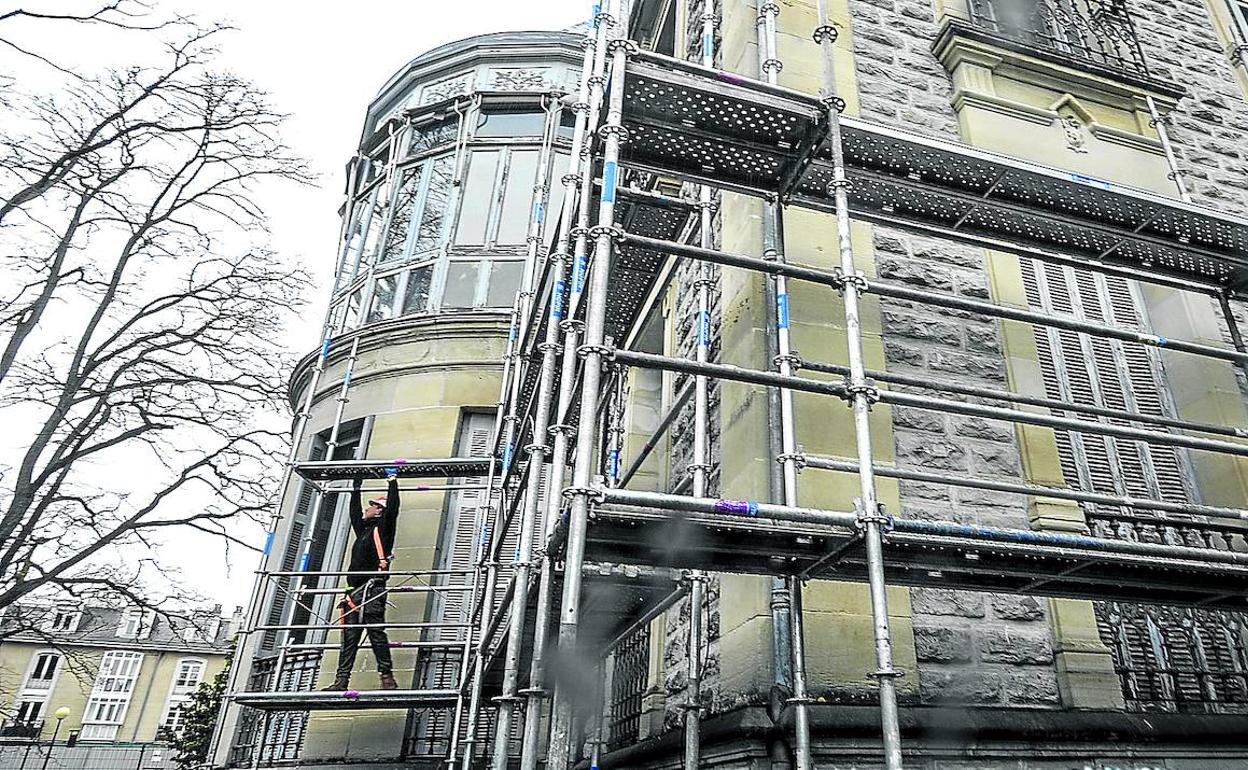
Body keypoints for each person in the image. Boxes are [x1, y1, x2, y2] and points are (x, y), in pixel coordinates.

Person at [323, 468, 400, 691]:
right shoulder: (364, 531)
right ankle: (341, 680)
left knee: (375, 632)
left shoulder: (382, 531)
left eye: (372, 505)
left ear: (378, 511)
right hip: (353, 591)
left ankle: (387, 676)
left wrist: (392, 481)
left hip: (372, 589)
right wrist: (356, 487)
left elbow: (393, 510)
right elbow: (355, 513)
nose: (367, 508)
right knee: (349, 637)